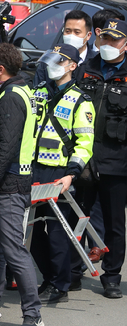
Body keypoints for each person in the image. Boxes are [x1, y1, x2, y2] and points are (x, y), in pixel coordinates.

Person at [0, 43, 44, 326]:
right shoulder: (13, 91)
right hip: (6, 182)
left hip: (8, 185)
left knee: (13, 249)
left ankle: (33, 315)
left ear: (0, 69)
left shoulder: (12, 97)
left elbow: (7, 147)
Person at [30, 44, 95, 303]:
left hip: (60, 173)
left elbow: (85, 143)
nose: (53, 65)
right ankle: (48, 278)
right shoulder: (37, 93)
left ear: (72, 66)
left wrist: (72, 174)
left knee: (57, 233)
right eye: (51, 60)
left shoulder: (81, 100)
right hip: (33, 169)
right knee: (32, 232)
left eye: (60, 61)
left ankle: (61, 284)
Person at [74, 19, 127, 299]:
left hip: (118, 161)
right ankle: (71, 272)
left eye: (114, 39)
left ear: (125, 43)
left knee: (114, 222)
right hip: (84, 158)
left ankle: (112, 276)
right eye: (104, 38)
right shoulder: (86, 68)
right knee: (77, 217)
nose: (107, 44)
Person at [33, 11, 96, 87]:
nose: (71, 36)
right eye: (68, 31)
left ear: (88, 35)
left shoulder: (95, 62)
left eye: (77, 32)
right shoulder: (49, 60)